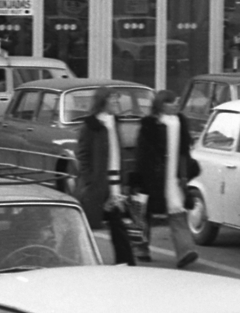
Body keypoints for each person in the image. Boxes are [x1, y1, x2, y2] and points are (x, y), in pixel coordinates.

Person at [133, 89, 199, 269]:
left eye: (177, 101)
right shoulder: (149, 125)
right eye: (172, 102)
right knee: (144, 212)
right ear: (162, 105)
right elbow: (142, 154)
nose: (176, 105)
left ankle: (185, 251)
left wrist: (185, 173)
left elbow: (185, 151)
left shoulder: (180, 122)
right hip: (152, 176)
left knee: (177, 210)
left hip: (174, 177)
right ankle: (141, 247)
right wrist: (139, 178)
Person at [76, 85, 135, 265]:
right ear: (103, 101)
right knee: (88, 224)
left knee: (117, 223)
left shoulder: (114, 121)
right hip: (99, 183)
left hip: (115, 181)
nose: (117, 102)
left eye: (117, 98)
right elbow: (82, 154)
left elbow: (119, 152)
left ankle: (125, 262)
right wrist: (91, 179)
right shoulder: (91, 125)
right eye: (113, 99)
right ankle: (77, 258)